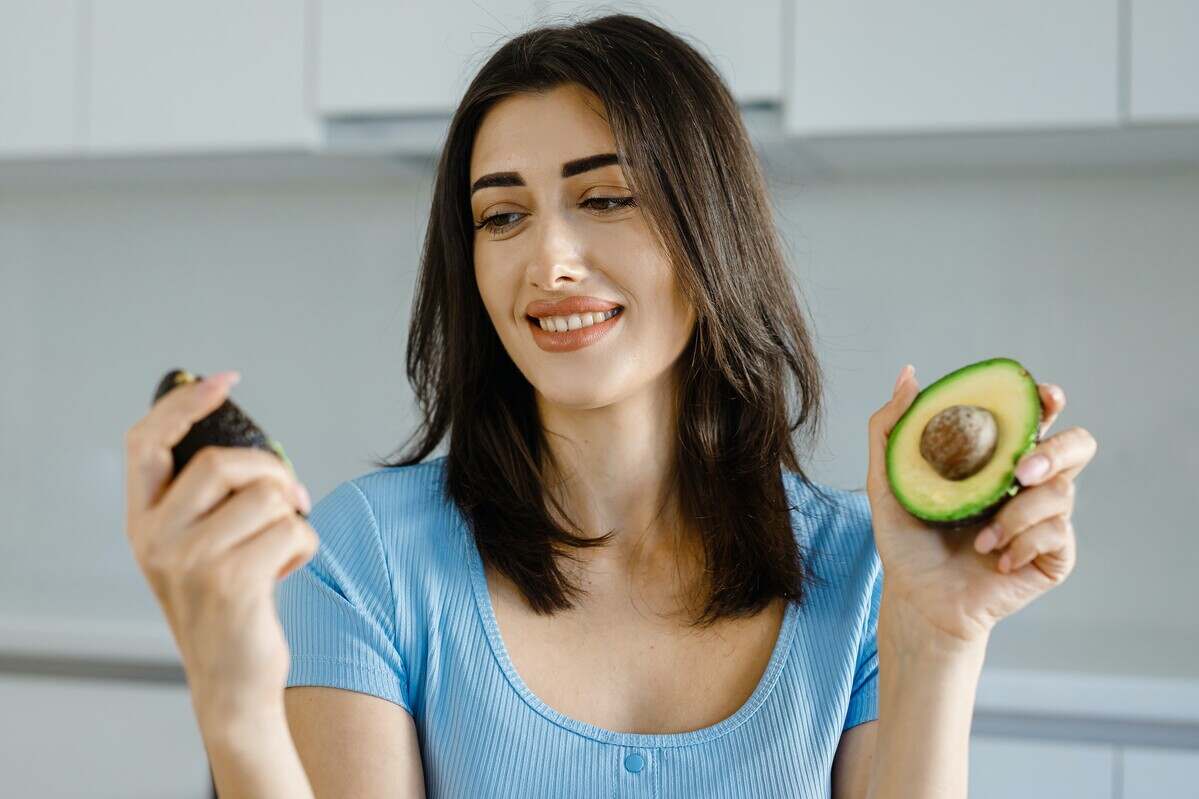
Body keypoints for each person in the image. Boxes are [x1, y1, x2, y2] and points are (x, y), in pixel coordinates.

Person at [123, 13, 1097, 798]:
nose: (546, 259)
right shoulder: (365, 558)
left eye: (605, 197)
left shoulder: (867, 573)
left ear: (707, 227)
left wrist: (935, 637)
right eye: (501, 215)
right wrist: (232, 703)